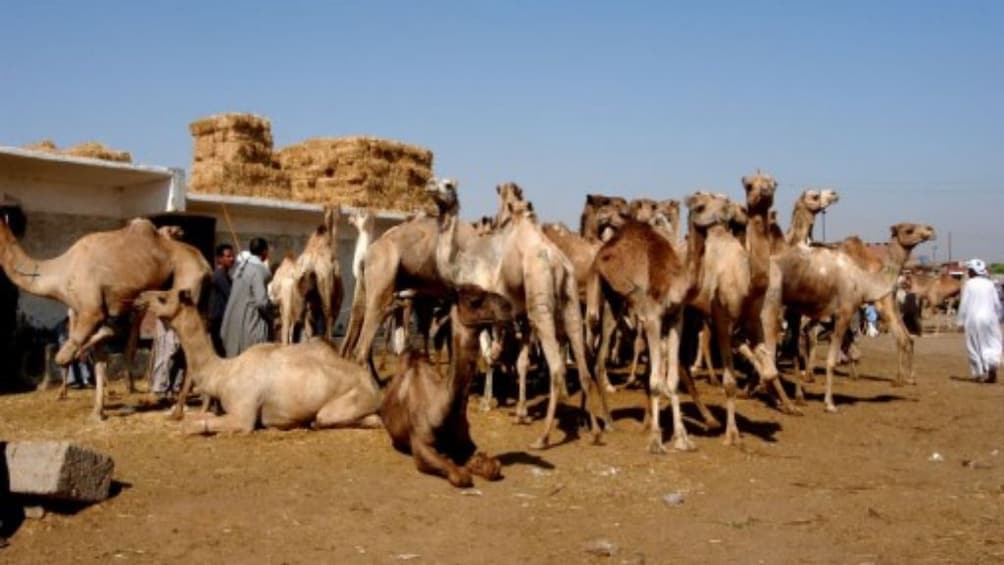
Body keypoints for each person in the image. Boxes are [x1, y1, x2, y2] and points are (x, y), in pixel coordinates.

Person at [220, 237, 273, 358]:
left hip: (233, 323)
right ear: (264, 252)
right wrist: (273, 311)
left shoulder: (240, 269)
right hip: (249, 326)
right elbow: (261, 302)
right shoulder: (257, 271)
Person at [956, 258, 1002, 383]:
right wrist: (998, 317)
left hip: (973, 319)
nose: (968, 272)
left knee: (974, 345)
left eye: (969, 270)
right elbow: (997, 304)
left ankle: (980, 372)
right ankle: (992, 367)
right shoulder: (990, 284)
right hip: (990, 318)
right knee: (992, 342)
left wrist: (960, 322)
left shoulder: (969, 284)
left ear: (973, 271)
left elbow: (964, 304)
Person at [208, 243, 236, 355]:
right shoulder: (219, 276)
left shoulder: (226, 275)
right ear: (220, 259)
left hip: (222, 319)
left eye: (232, 256)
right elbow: (230, 295)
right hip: (218, 320)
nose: (232, 259)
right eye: (228, 256)